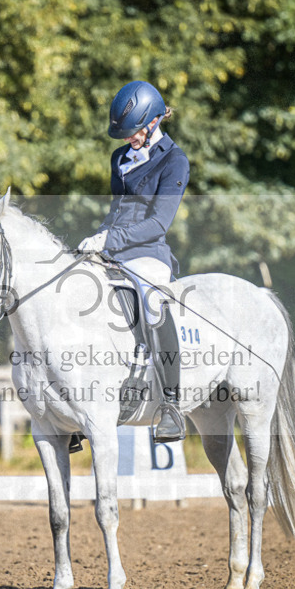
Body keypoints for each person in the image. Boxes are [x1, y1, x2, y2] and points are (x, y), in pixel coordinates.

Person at [77, 80, 190, 444]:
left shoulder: (175, 161)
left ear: (156, 121)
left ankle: (171, 406)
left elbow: (158, 222)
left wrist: (110, 240)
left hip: (149, 254)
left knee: (154, 303)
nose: (130, 140)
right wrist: (96, 239)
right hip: (114, 249)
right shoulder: (120, 159)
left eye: (135, 132)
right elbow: (118, 211)